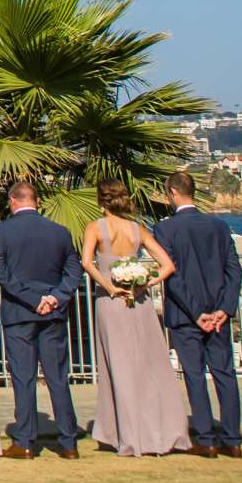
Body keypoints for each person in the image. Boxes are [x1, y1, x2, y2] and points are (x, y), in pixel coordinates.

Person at [79, 179, 189, 456]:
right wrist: (145, 284)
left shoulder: (95, 227)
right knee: (148, 365)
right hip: (139, 302)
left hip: (111, 301)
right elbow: (167, 265)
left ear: (101, 200)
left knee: (118, 365)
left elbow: (86, 262)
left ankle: (126, 434)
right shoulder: (137, 229)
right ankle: (157, 430)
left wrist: (109, 286)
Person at [0, 178, 81, 458]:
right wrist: (55, 297)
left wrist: (31, 298)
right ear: (37, 201)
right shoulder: (60, 232)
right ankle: (68, 442)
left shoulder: (1, 231)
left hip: (19, 312)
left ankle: (25, 441)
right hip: (53, 313)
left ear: (12, 201)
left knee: (23, 377)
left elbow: (1, 273)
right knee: (58, 378)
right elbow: (73, 272)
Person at [153, 170, 242, 458]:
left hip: (186, 315)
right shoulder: (218, 226)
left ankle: (205, 438)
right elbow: (234, 270)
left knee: (194, 374)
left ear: (172, 193)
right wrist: (224, 308)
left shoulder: (165, 229)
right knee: (225, 374)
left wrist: (196, 313)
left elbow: (173, 276)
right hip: (218, 313)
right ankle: (232, 438)